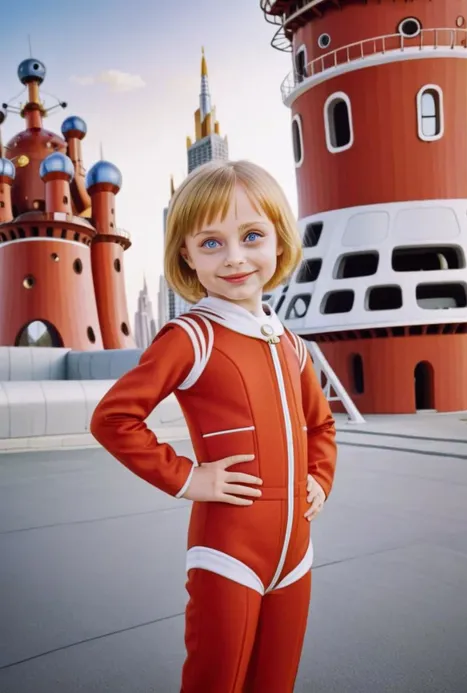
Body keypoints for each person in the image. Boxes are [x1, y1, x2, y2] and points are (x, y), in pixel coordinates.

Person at [90, 159, 337, 692]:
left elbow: (321, 426)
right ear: (186, 253)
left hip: (296, 551)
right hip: (229, 550)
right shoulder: (191, 335)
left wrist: (319, 478)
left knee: (276, 681)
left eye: (251, 236)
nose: (235, 258)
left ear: (278, 241)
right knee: (215, 681)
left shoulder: (289, 343)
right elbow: (114, 418)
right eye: (211, 243)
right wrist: (186, 478)